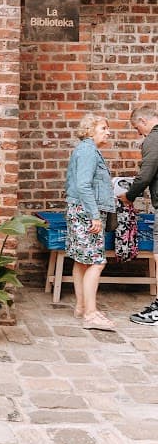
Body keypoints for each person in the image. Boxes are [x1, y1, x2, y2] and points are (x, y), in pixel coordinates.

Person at [65, 113, 116, 331]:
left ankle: (81, 306)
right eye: (103, 128)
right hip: (86, 212)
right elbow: (84, 185)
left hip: (80, 210)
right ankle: (90, 313)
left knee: (82, 261)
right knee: (96, 261)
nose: (108, 131)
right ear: (90, 130)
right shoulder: (88, 151)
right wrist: (95, 215)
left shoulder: (86, 150)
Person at [117, 105, 158, 325]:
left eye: (136, 128)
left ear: (143, 121)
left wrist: (129, 196)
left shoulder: (153, 139)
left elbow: (145, 176)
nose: (138, 134)